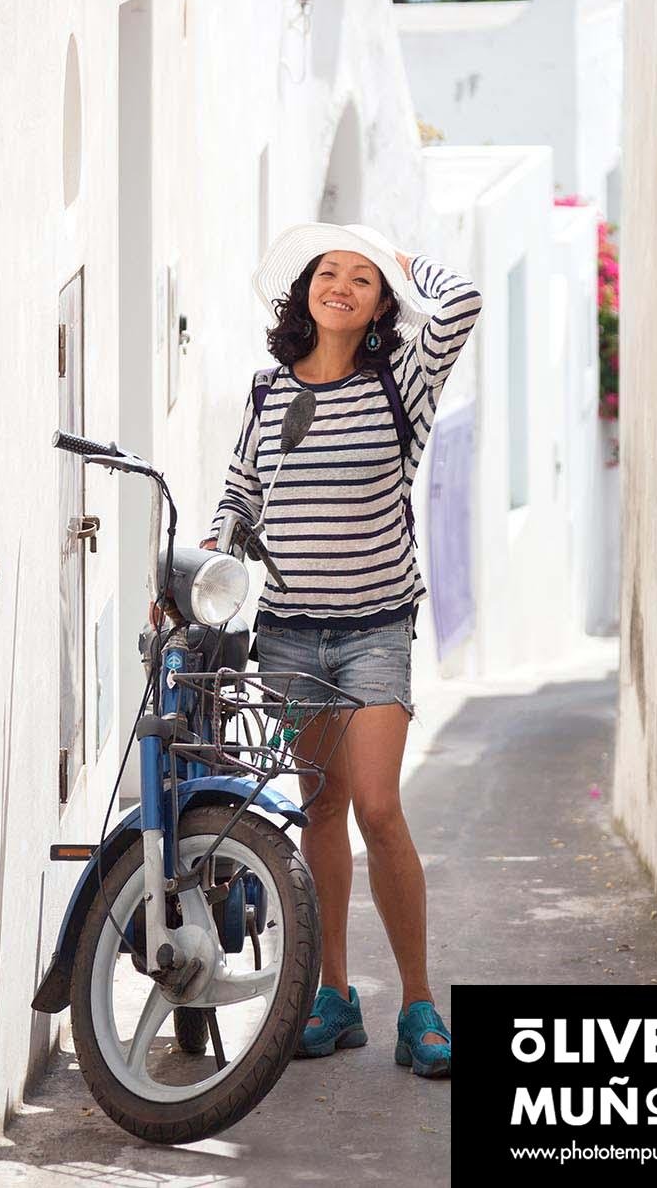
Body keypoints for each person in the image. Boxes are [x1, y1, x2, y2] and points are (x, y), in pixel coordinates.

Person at [199, 222, 482, 1080]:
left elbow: (463, 301)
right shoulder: (268, 388)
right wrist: (209, 562)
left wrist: (399, 256)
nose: (343, 286)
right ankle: (333, 997)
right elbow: (241, 492)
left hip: (374, 630)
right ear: (305, 291)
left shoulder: (402, 380)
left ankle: (420, 1005)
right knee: (320, 813)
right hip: (289, 632)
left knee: (378, 807)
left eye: (363, 280)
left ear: (381, 303)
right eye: (331, 272)